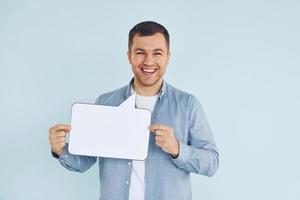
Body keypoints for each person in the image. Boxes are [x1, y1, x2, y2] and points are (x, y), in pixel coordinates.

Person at [49, 21, 219, 200]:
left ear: (167, 57)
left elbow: (211, 163)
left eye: (157, 53)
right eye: (140, 53)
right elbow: (84, 162)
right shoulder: (106, 103)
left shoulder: (188, 105)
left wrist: (177, 148)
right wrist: (60, 149)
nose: (149, 61)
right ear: (129, 56)